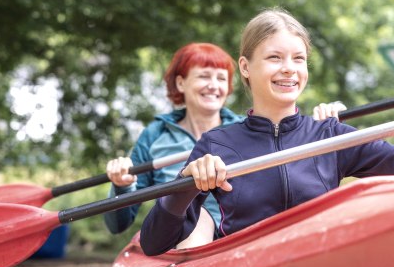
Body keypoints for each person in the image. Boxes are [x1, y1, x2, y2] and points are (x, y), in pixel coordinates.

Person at [140, 8, 394, 256]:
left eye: (299, 59)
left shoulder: (331, 136)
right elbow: (154, 242)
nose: (289, 68)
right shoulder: (217, 144)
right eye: (274, 58)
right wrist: (188, 183)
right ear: (245, 67)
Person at [104, 41, 343, 248]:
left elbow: (289, 165)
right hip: (185, 233)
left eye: (221, 78)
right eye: (204, 76)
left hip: (243, 227)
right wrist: (121, 186)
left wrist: (324, 127)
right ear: (180, 84)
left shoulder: (248, 129)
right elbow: (118, 224)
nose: (214, 85)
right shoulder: (155, 136)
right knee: (200, 217)